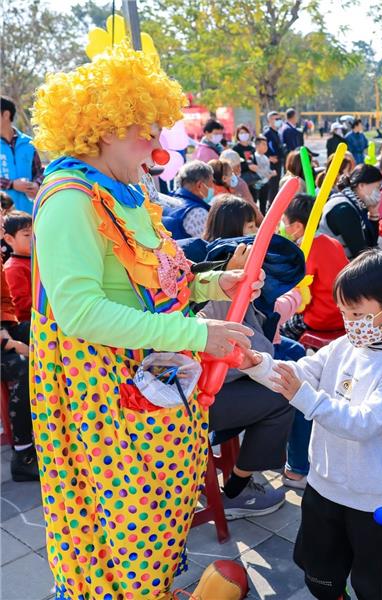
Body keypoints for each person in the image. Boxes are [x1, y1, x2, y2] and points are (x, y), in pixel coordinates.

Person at [29, 44, 258, 599]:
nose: (157, 144)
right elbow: (80, 312)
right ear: (102, 127)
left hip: (153, 382)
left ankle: (154, 588)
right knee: (122, 523)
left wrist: (209, 285)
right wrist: (199, 333)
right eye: (143, 129)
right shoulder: (68, 200)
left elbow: (150, 282)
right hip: (102, 394)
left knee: (161, 513)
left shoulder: (130, 190)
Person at [239, 249, 382, 600]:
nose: (350, 322)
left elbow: (364, 422)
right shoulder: (343, 345)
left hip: (372, 499)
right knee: (321, 571)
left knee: (373, 582)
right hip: (324, 486)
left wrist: (305, 399)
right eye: (344, 313)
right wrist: (256, 363)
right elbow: (299, 372)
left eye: (357, 314)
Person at [198, 195, 294, 517]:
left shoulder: (200, 267)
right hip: (198, 396)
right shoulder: (221, 284)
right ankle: (238, 489)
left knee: (289, 366)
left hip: (191, 386)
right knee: (284, 391)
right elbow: (250, 349)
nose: (257, 237)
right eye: (251, 227)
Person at [280, 193, 349, 338]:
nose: (282, 226)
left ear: (298, 226)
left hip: (320, 319)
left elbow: (300, 298)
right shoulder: (333, 243)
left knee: (275, 328)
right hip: (343, 315)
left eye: (284, 221)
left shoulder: (304, 251)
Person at [1, 260, 35, 481]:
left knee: (50, 336)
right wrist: (12, 344)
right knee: (24, 366)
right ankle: (23, 454)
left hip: (6, 328)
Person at [318, 164, 382, 258]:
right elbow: (361, 253)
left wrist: (373, 213)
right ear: (361, 185)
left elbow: (371, 243)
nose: (379, 192)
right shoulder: (344, 209)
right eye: (377, 187)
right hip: (337, 267)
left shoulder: (355, 203)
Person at [0, 96, 43, 215]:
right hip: (3, 216)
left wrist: (36, 184)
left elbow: (39, 171)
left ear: (6, 114)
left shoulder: (28, 143)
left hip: (28, 213)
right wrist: (12, 184)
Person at [162, 160, 214, 239]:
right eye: (211, 184)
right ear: (199, 185)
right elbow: (208, 247)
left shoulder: (165, 202)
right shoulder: (198, 213)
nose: (212, 188)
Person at [3, 210, 32, 321]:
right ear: (9, 239)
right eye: (26, 235)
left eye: (34, 234)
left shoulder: (35, 260)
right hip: (28, 322)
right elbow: (21, 302)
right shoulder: (13, 268)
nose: (33, 239)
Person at [264, 111, 285, 207]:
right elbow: (262, 149)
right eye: (276, 119)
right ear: (269, 120)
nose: (278, 121)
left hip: (278, 163)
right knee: (272, 188)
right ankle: (270, 207)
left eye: (279, 119)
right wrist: (269, 157)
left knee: (276, 186)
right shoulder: (267, 134)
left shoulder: (277, 133)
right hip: (271, 165)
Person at [252, 135, 276, 212]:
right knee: (255, 204)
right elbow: (257, 170)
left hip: (265, 183)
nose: (266, 146)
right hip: (256, 184)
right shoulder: (254, 156)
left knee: (263, 204)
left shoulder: (265, 157)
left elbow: (267, 169)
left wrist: (271, 173)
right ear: (257, 145)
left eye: (266, 144)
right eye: (263, 144)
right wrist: (268, 173)